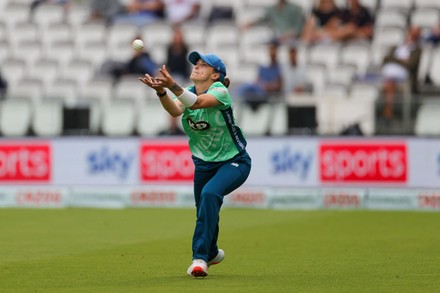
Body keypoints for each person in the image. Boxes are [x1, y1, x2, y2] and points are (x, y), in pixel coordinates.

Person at [138, 51, 252, 278]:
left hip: (234, 161)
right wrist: (162, 91)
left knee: (210, 195)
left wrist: (172, 86)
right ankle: (211, 251)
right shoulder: (187, 92)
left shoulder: (220, 91)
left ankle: (199, 259)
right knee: (205, 209)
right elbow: (174, 109)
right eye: (196, 64)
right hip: (203, 164)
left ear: (215, 75)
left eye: (203, 65)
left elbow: (199, 103)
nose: (197, 67)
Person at [381, 26, 422, 120]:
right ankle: (388, 110)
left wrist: (396, 60)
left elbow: (411, 64)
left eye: (415, 33)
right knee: (389, 83)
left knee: (389, 83)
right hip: (390, 70)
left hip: (404, 73)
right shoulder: (398, 46)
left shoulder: (417, 50)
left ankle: (388, 111)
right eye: (412, 32)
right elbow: (386, 58)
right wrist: (401, 60)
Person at [236, 40, 283, 110]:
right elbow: (258, 80)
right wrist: (263, 86)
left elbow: (278, 85)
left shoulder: (279, 67)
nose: (272, 52)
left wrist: (267, 87)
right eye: (270, 50)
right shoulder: (263, 66)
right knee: (246, 87)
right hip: (260, 90)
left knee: (247, 88)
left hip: (268, 94)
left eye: (273, 50)